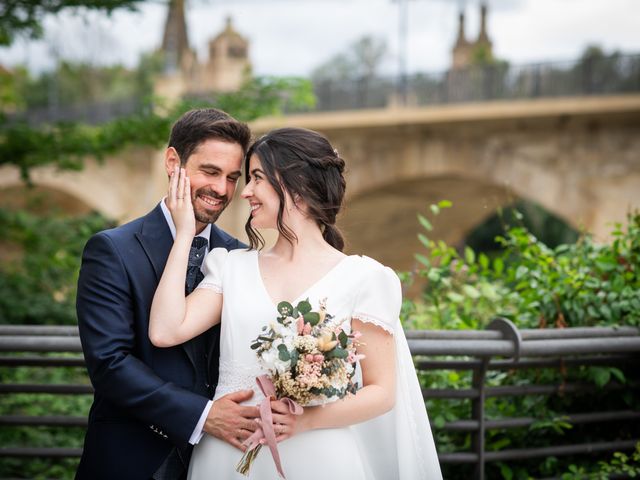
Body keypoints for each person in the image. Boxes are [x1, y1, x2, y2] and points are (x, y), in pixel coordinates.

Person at [149, 127, 442, 479]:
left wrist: (306, 421)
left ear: (297, 185)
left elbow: (381, 392)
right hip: (228, 457)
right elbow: (165, 331)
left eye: (256, 178)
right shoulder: (231, 267)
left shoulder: (364, 278)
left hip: (320, 457)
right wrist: (184, 234)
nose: (246, 193)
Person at [76, 109, 298, 480]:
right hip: (132, 459)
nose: (223, 190)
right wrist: (203, 415)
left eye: (232, 177)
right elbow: (109, 363)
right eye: (210, 172)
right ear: (172, 161)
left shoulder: (241, 258)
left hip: (223, 459)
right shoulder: (112, 249)